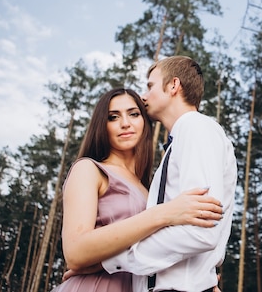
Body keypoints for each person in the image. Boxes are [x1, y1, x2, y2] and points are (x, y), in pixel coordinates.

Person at [53, 87, 223, 292]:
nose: (125, 123)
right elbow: (75, 252)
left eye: (133, 114)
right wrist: (164, 213)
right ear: (102, 125)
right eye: (113, 117)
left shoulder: (149, 190)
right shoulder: (89, 169)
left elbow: (163, 248)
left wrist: (202, 280)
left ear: (145, 121)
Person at [101, 56, 238, 292]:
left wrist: (112, 261)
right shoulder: (183, 138)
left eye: (150, 86)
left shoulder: (197, 129)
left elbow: (201, 232)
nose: (144, 96)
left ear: (173, 86)